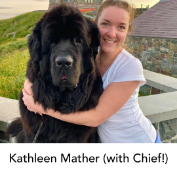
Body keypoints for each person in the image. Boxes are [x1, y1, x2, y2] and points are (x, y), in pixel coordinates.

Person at [22, 0, 161, 143]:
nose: (112, 33)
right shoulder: (88, 56)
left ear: (127, 31)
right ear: (96, 25)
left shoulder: (130, 66)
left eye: (121, 27)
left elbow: (95, 118)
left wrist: (43, 108)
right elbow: (37, 64)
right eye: (106, 24)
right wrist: (28, 83)